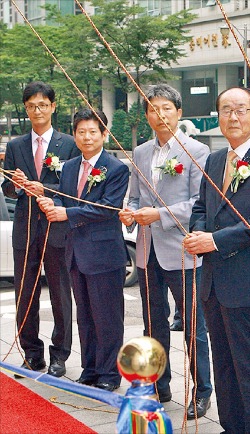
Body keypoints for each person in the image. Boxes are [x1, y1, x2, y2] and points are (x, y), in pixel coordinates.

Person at [184, 87, 250, 433]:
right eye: (225, 110)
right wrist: (197, 234)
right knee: (224, 364)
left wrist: (213, 240)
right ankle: (231, 427)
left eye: (241, 110)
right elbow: (201, 208)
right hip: (213, 282)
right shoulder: (215, 160)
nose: (233, 117)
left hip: (248, 280)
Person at [118, 84, 212, 418]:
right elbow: (133, 195)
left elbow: (198, 203)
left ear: (178, 111)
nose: (159, 115)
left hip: (182, 251)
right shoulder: (140, 152)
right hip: (146, 251)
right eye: (153, 109)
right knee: (152, 324)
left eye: (166, 108)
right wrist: (129, 211)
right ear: (146, 115)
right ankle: (159, 385)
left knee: (192, 327)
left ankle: (202, 391)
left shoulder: (197, 152)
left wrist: (158, 214)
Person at [38, 108, 129, 391]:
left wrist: (66, 213)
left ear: (104, 134)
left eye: (93, 132)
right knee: (86, 316)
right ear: (74, 134)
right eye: (81, 132)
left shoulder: (116, 168)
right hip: (75, 254)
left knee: (108, 318)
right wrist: (50, 204)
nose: (87, 137)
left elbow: (107, 208)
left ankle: (109, 375)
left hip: (104, 256)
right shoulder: (69, 166)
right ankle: (90, 369)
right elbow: (63, 198)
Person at [2, 81, 80, 378]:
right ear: (26, 109)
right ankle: (31, 354)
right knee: (25, 295)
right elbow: (7, 189)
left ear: (52, 107)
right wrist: (16, 184)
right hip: (25, 229)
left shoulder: (68, 144)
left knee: (60, 294)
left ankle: (59, 355)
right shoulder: (15, 146)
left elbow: (72, 189)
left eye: (43, 105)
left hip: (56, 229)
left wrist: (43, 187)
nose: (38, 110)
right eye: (32, 106)